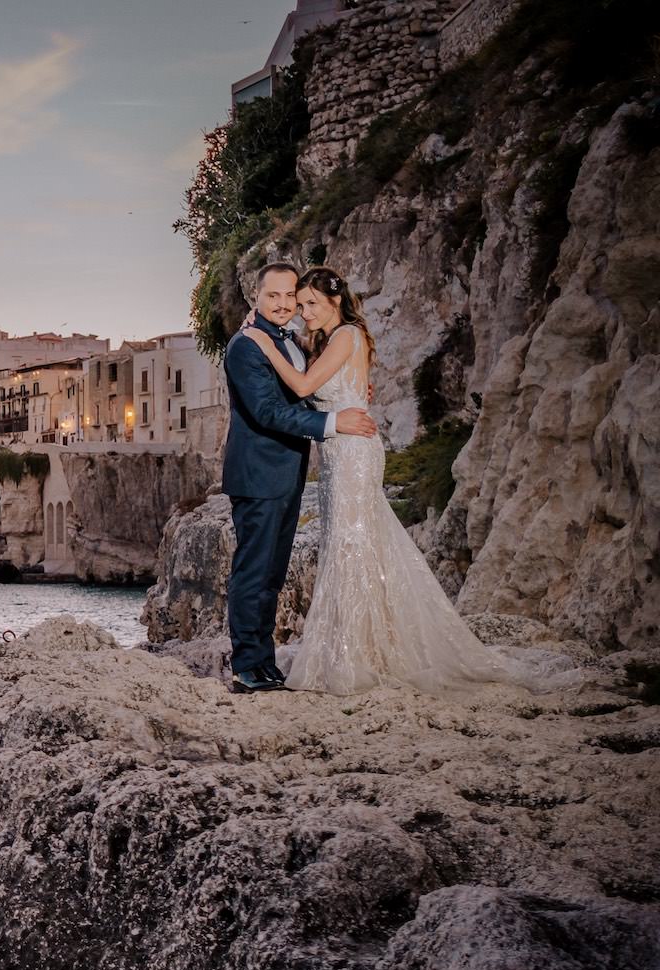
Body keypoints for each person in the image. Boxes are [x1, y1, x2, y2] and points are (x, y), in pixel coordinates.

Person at [238, 265, 558, 695]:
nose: (297, 308)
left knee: (349, 547)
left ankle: (355, 653)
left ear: (335, 302)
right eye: (294, 301)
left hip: (349, 453)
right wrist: (338, 403)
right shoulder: (296, 342)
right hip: (311, 459)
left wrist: (277, 350)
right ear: (258, 297)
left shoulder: (338, 337)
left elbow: (301, 387)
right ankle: (282, 661)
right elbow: (278, 405)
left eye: (305, 301)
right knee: (331, 552)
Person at [221, 262, 376, 693]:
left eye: (291, 296)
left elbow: (305, 390)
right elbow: (267, 411)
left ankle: (265, 662)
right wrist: (333, 421)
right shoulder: (246, 346)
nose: (285, 304)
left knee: (272, 573)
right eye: (274, 296)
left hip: (288, 473)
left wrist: (346, 391)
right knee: (252, 572)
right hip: (257, 476)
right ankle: (246, 665)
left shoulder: (288, 341)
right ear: (257, 295)